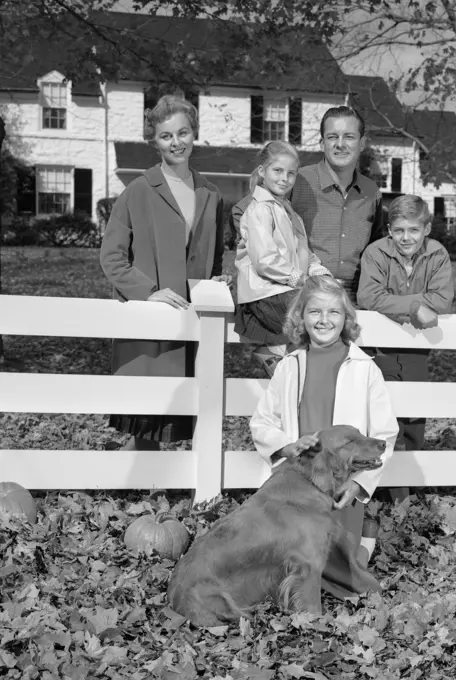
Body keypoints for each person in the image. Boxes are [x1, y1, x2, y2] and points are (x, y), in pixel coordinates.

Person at [250, 276, 399, 599]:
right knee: (294, 552)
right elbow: (262, 422)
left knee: (339, 562)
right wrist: (285, 446)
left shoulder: (363, 368)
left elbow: (384, 433)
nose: (324, 320)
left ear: (346, 319)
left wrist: (359, 483)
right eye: (315, 311)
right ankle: (296, 588)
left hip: (342, 482)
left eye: (334, 312)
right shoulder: (289, 367)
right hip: (300, 482)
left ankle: (356, 557)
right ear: (300, 317)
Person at [100, 94, 231, 452]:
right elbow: (111, 257)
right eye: (166, 136)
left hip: (192, 317)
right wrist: (148, 291)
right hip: (151, 318)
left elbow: (215, 257)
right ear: (154, 141)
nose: (176, 142)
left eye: (183, 132)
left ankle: (166, 487)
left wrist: (216, 282)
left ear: (194, 134)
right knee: (147, 417)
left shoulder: (212, 194)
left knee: (184, 408)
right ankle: (138, 484)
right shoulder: (138, 191)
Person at [231, 106, 382, 305]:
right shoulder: (296, 180)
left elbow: (378, 247)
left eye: (349, 137)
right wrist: (255, 263)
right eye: (332, 137)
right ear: (322, 143)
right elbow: (243, 212)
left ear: (362, 143)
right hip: (302, 294)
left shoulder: (372, 192)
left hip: (354, 296)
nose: (340, 144)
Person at [357, 194, 454, 460]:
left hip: (418, 349)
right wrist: (413, 306)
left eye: (414, 230)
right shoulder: (376, 253)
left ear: (427, 229)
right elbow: (368, 296)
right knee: (382, 413)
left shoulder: (437, 254)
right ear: (389, 230)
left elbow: (442, 300)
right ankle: (382, 482)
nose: (406, 237)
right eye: (399, 230)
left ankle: (408, 483)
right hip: (379, 349)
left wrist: (393, 304)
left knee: (413, 414)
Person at [234, 141, 330, 376]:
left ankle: (276, 362)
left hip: (282, 290)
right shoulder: (259, 210)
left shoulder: (289, 212)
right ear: (262, 172)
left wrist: (321, 274)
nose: (284, 178)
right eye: (277, 171)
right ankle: (283, 369)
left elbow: (304, 252)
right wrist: (300, 279)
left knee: (327, 307)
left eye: (291, 173)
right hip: (266, 292)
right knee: (317, 322)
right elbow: (265, 260)